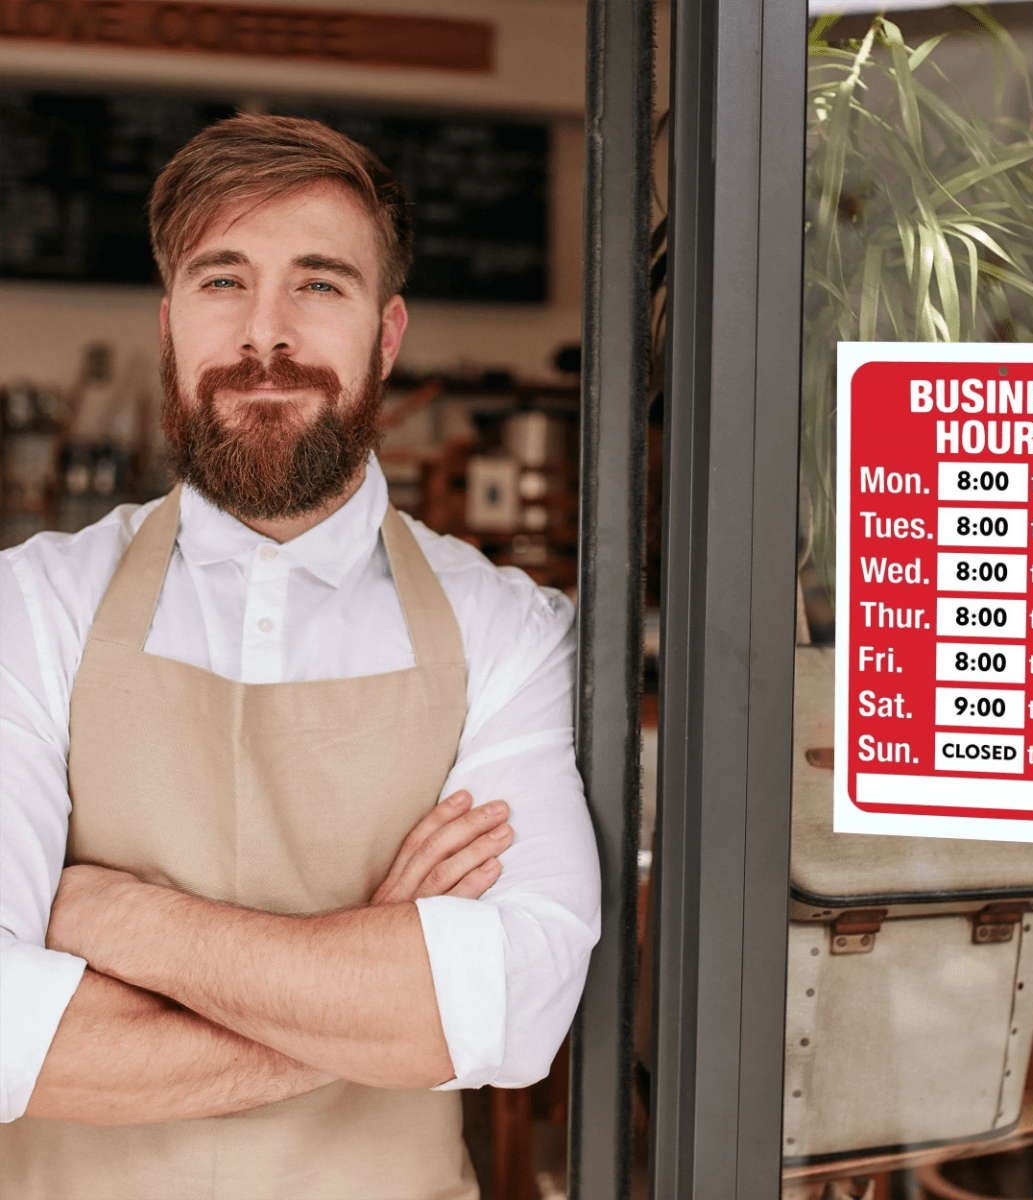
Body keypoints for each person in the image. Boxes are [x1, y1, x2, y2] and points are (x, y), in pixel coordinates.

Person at [0, 114, 600, 1200]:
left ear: (387, 334)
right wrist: (382, 982)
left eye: (319, 284)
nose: (264, 334)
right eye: (222, 281)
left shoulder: (509, 629)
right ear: (169, 326)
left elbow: (516, 1010)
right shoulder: (28, 609)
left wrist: (121, 920)